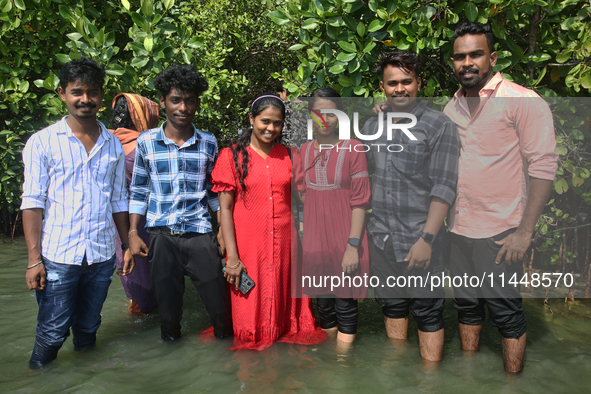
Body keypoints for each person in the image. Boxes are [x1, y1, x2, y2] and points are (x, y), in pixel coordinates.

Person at [444, 21, 558, 373]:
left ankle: (512, 382)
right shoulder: (452, 107)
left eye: (476, 54)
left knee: (506, 312)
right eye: (460, 56)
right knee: (466, 307)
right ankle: (468, 374)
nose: (468, 63)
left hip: (500, 231)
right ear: (453, 63)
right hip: (458, 229)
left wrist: (524, 232)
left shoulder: (523, 101)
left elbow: (543, 166)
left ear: (491, 57)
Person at [21, 57, 134, 370]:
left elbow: (118, 201)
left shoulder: (112, 143)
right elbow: (32, 202)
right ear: (62, 94)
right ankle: (40, 379)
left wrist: (126, 246)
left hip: (99, 256)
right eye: (77, 92)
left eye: (93, 92)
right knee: (52, 331)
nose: (86, 99)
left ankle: (86, 378)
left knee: (88, 328)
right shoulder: (42, 142)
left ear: (100, 95)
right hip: (58, 255)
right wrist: (34, 260)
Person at [361, 51, 461, 362]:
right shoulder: (371, 124)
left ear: (419, 83)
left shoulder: (439, 126)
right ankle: (398, 376)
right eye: (393, 84)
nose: (400, 89)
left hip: (420, 239)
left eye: (407, 81)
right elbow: (361, 177)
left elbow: (444, 187)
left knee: (428, 313)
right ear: (383, 86)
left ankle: (429, 382)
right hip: (381, 237)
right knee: (392, 308)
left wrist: (427, 239)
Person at [212, 94, 326, 350]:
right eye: (265, 121)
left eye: (277, 123)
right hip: (249, 244)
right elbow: (226, 210)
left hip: (286, 243)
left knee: (284, 304)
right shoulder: (231, 156)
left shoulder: (290, 155)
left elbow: (303, 201)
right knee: (249, 304)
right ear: (251, 119)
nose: (271, 128)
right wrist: (232, 257)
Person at [128, 64, 232, 341]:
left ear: (197, 103)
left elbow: (214, 192)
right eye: (176, 100)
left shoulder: (209, 142)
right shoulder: (146, 142)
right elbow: (139, 190)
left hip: (200, 235)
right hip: (161, 238)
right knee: (169, 316)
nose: (183, 107)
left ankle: (227, 360)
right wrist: (133, 233)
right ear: (163, 102)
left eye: (189, 100)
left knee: (220, 309)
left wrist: (221, 228)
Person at [299, 87, 371, 344]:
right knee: (324, 306)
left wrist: (353, 246)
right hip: (315, 243)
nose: (324, 119)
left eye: (330, 113)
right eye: (318, 112)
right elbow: (302, 195)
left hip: (345, 240)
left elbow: (360, 202)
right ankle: (331, 365)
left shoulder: (354, 148)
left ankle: (343, 370)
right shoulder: (304, 151)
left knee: (345, 305)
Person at [110, 93, 160, 313]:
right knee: (147, 273)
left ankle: (136, 305)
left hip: (114, 218)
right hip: (140, 218)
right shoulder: (143, 144)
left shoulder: (106, 140)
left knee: (130, 268)